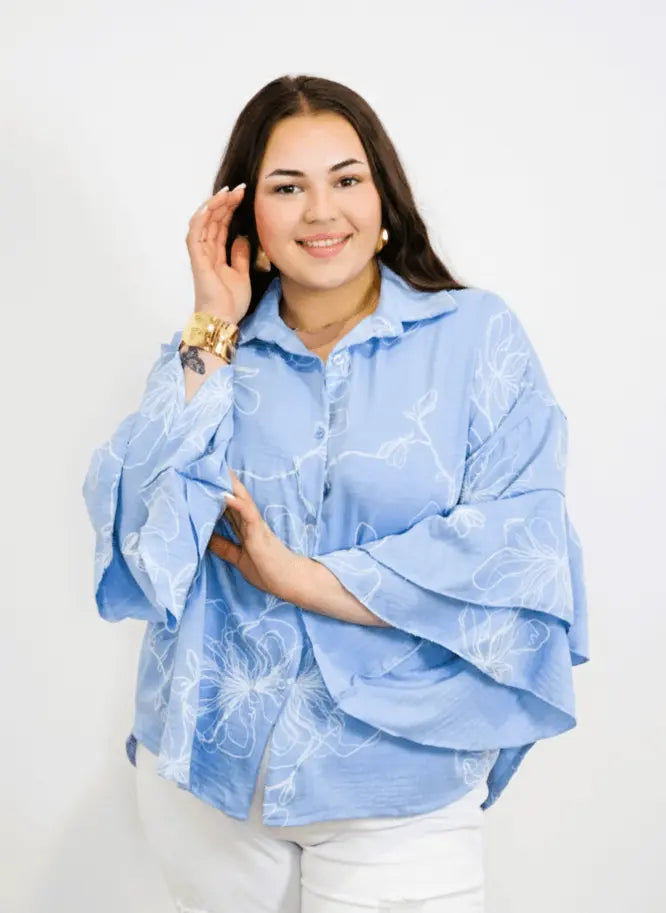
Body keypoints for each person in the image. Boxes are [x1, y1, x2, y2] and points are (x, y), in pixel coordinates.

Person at [81, 74, 590, 913]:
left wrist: (302, 578)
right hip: (212, 776)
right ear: (249, 216)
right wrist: (211, 322)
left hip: (402, 773)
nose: (321, 211)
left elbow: (516, 547)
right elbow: (145, 532)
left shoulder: (476, 336)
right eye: (288, 187)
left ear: (382, 195)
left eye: (345, 179)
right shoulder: (212, 350)